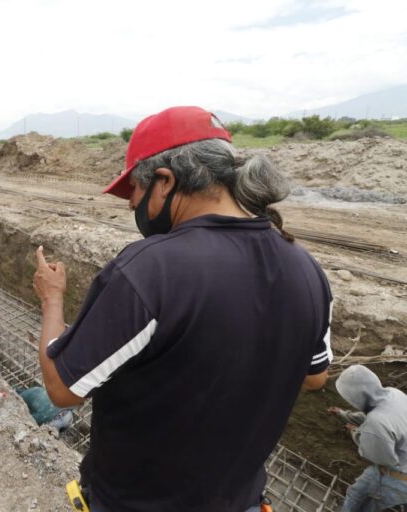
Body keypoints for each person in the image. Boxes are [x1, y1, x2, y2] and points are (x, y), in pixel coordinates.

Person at [33, 106, 333, 512]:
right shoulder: (307, 268)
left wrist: (52, 299)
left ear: (165, 181)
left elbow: (61, 388)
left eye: (134, 191)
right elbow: (314, 377)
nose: (130, 205)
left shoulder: (150, 269)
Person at [330, 365, 407, 511]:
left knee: (358, 500)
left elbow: (380, 458)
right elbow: (371, 417)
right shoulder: (393, 393)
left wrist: (357, 433)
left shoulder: (376, 424)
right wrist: (343, 414)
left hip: (398, 476)